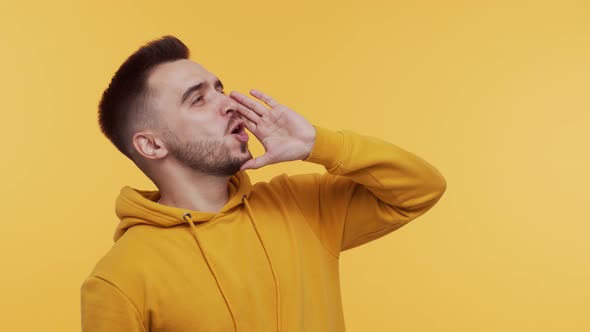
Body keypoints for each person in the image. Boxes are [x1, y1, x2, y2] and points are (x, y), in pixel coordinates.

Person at [80, 35, 447, 332]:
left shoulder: (300, 205)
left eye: (219, 89)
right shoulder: (117, 281)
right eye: (198, 100)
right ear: (152, 144)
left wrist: (319, 144)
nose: (228, 104)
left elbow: (420, 189)